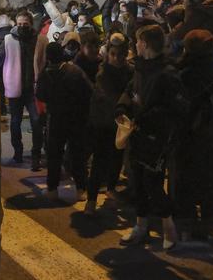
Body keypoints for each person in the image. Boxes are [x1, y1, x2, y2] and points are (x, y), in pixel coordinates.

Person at [118, 25, 184, 250]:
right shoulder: (139, 67)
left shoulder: (167, 73)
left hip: (156, 137)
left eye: (137, 41)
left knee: (153, 183)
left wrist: (146, 116)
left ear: (145, 43)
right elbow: (129, 89)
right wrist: (122, 107)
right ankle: (140, 226)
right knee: (137, 181)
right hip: (136, 133)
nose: (135, 45)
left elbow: (173, 108)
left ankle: (169, 228)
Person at [173, 29, 213, 241]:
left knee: (184, 178)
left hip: (187, 132)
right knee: (210, 178)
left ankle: (185, 224)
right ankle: (208, 224)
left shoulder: (182, 71)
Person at [36, 42, 92, 202]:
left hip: (55, 118)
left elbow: (40, 95)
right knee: (77, 154)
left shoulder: (45, 74)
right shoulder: (74, 71)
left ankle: (52, 189)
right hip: (77, 118)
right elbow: (89, 90)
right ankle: (81, 188)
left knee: (54, 155)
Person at [85, 32, 133, 215]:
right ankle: (91, 199)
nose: (117, 58)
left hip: (120, 125)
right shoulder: (103, 72)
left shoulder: (130, 72)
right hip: (103, 124)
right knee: (99, 162)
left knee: (117, 159)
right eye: (113, 54)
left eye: (120, 55)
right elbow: (105, 97)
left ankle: (111, 189)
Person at [0, 10, 47, 169]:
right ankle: (18, 152)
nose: (22, 27)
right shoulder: (8, 40)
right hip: (15, 87)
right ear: (15, 24)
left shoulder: (40, 40)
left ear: (31, 24)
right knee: (16, 122)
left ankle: (36, 155)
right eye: (19, 24)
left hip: (34, 89)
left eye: (25, 24)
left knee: (37, 122)